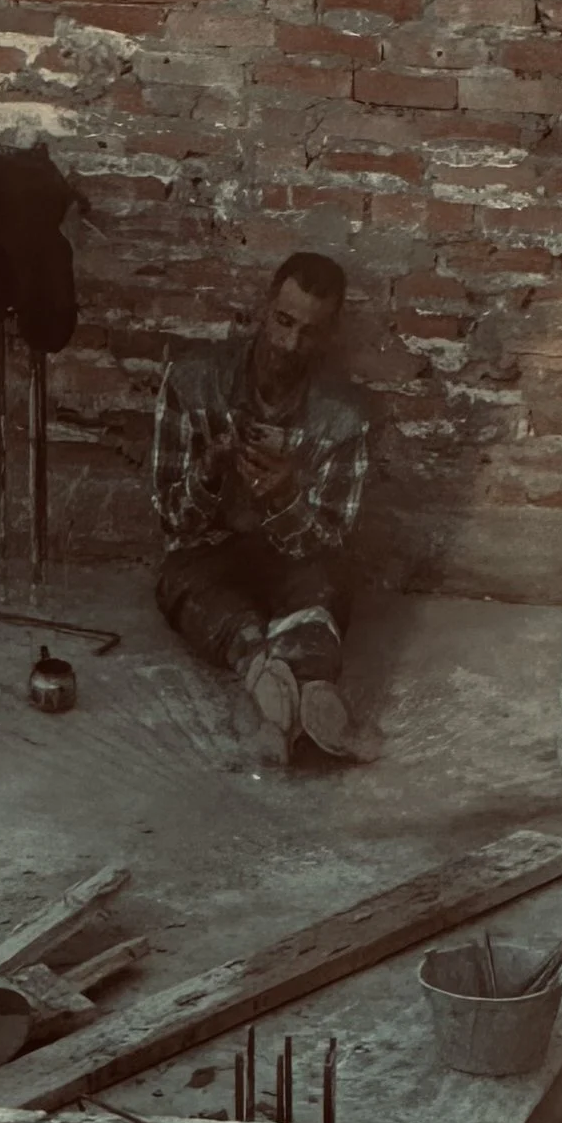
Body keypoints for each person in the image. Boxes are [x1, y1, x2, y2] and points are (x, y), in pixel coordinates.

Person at [151, 250, 373, 762]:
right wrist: (209, 470)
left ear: (330, 333)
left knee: (326, 585)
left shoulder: (343, 415)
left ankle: (313, 689)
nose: (291, 343)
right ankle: (264, 672)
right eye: (283, 321)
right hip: (210, 552)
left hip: (292, 559)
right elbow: (172, 520)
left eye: (309, 331)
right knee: (187, 586)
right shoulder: (193, 380)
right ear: (264, 307)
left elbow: (329, 543)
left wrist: (284, 497)